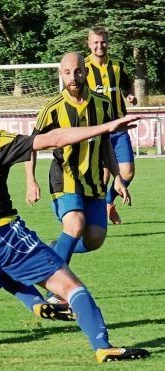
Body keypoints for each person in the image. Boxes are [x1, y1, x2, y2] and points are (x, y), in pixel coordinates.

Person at [0, 9, 150, 363]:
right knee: (72, 288)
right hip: (1, 235)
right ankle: (103, 347)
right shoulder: (0, 142)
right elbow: (55, 137)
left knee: (3, 274)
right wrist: (106, 127)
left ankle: (35, 304)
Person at [25, 52, 129, 304]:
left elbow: (106, 145)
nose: (73, 77)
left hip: (93, 182)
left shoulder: (103, 105)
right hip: (65, 178)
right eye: (68, 72)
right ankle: (56, 290)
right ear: (61, 74)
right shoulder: (52, 108)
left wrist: (117, 176)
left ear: (86, 72)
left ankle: (55, 248)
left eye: (78, 71)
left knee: (94, 239)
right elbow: (30, 146)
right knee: (75, 224)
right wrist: (31, 180)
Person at [86, 26, 137, 224]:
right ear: (89, 44)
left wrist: (130, 95)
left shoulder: (118, 65)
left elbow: (126, 85)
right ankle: (96, 215)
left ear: (108, 42)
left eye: (103, 41)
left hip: (119, 127)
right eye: (96, 42)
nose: (100, 46)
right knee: (102, 177)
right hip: (97, 131)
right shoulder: (84, 67)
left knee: (128, 172)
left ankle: (108, 202)